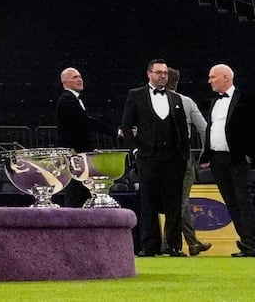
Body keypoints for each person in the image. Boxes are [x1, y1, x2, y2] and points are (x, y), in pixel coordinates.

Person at [120, 58, 189, 257]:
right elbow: (126, 125)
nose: (162, 76)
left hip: (173, 158)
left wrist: (184, 154)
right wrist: (135, 150)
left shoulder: (176, 99)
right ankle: (150, 246)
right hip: (148, 156)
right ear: (149, 74)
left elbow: (183, 130)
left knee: (173, 203)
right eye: (158, 72)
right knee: (148, 202)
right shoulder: (136, 95)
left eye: (165, 73)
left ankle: (175, 246)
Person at [200, 63, 255, 258]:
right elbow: (212, 129)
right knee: (231, 202)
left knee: (243, 200)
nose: (209, 80)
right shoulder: (214, 102)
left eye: (213, 77)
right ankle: (244, 241)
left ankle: (251, 243)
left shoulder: (246, 99)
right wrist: (207, 155)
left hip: (237, 158)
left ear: (226, 77)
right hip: (218, 159)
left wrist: (248, 154)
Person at [166, 66, 211, 256]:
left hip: (160, 160)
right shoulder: (186, 102)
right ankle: (169, 242)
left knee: (175, 202)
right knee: (181, 201)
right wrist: (205, 153)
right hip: (182, 158)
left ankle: (191, 242)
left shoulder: (149, 101)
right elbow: (204, 129)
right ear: (177, 82)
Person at [55, 67, 110, 208]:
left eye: (80, 76)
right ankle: (72, 226)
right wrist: (116, 132)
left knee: (82, 192)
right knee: (75, 193)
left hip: (80, 155)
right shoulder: (67, 100)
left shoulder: (74, 99)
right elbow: (86, 121)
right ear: (65, 83)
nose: (80, 79)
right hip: (75, 156)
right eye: (75, 77)